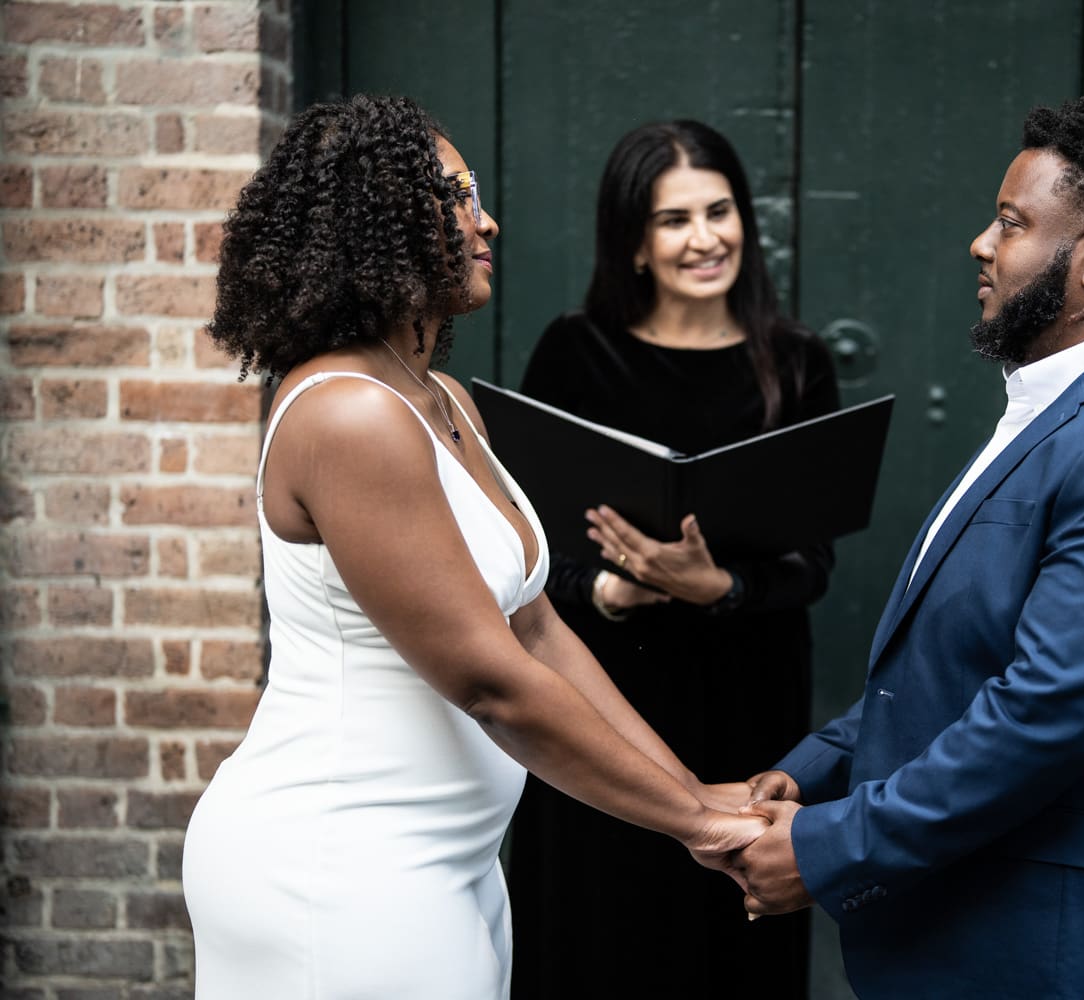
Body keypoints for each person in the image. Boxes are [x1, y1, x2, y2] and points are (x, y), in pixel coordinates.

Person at [180, 95, 765, 1000]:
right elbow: (492, 681)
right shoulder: (349, 413)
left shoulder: (442, 399)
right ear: (375, 223)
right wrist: (694, 823)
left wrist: (692, 788)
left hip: (447, 860)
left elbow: (537, 633)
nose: (483, 218)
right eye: (451, 196)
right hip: (340, 868)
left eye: (476, 193)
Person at [734, 96, 1084, 999]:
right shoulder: (1063, 404)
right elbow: (956, 659)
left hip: (1063, 950)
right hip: (971, 925)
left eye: (1012, 224)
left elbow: (1044, 715)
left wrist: (830, 846)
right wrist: (810, 771)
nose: (982, 243)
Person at [507, 119, 837, 999]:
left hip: (751, 695)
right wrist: (610, 591)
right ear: (636, 243)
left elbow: (814, 565)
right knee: (603, 932)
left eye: (719, 211)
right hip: (607, 696)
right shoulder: (576, 353)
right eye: (673, 220)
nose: (705, 238)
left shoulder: (797, 363)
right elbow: (529, 549)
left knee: (735, 942)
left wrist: (721, 586)